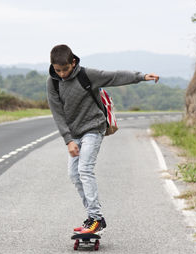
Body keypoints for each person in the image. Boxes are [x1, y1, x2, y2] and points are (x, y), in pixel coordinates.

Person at [46, 44, 159, 234]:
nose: (62, 74)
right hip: (74, 134)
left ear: (73, 62)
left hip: (93, 128)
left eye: (65, 69)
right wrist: (68, 140)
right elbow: (57, 113)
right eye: (58, 70)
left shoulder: (87, 75)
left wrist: (141, 76)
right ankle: (93, 217)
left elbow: (114, 76)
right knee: (74, 175)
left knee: (85, 169)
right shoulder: (53, 82)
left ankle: (96, 219)